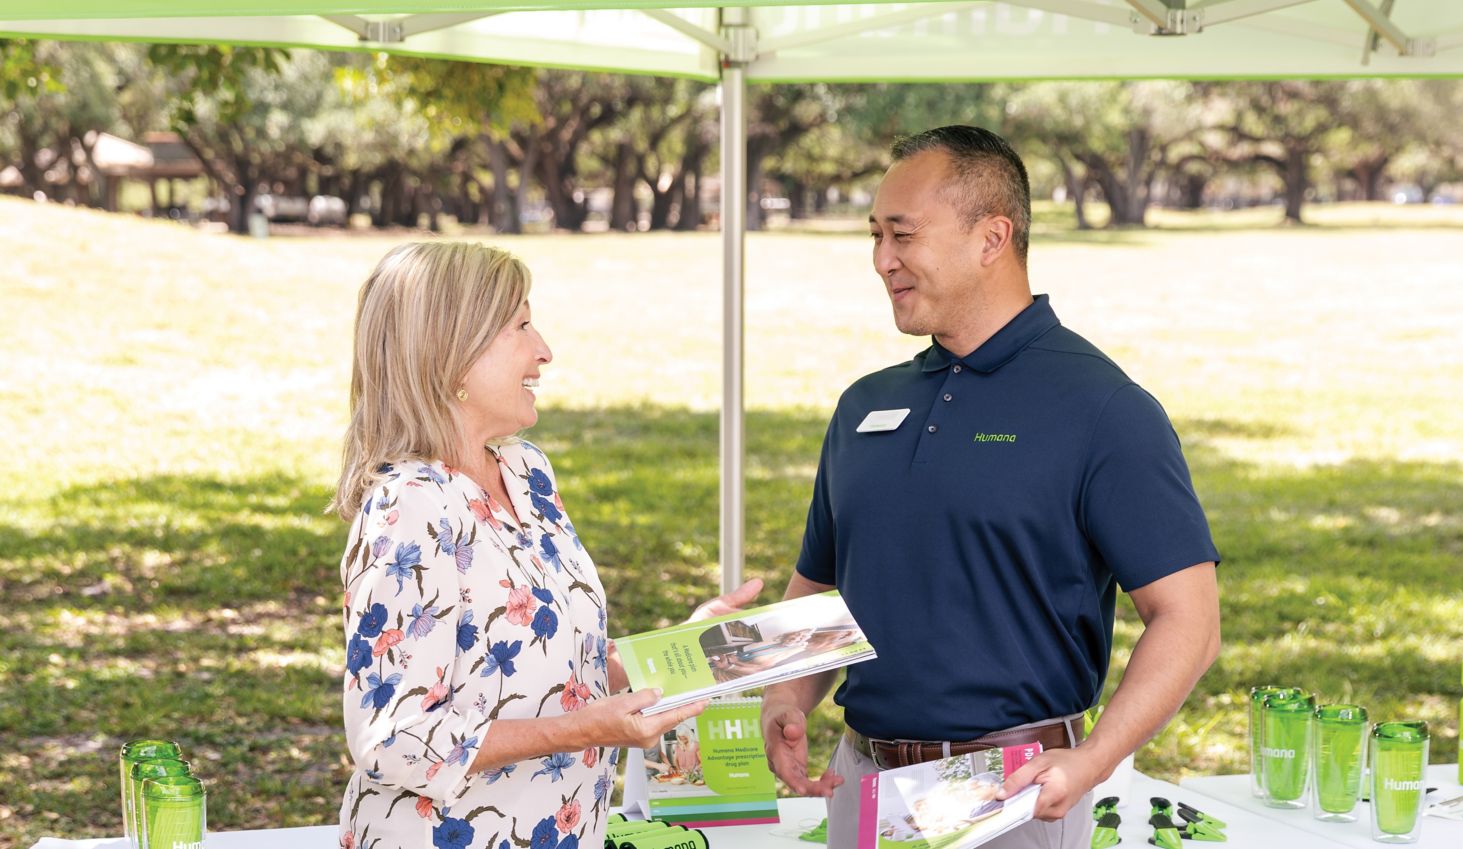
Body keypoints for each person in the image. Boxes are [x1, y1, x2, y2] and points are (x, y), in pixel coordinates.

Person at [759, 126, 1221, 849]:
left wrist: (1094, 759)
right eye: (875, 235)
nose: (882, 260)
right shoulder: (861, 405)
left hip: (1011, 797)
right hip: (860, 783)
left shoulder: (1101, 407)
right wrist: (787, 696)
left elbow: (1189, 621)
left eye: (902, 234)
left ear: (991, 237)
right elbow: (820, 587)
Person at [332, 242, 759, 849]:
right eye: (521, 326)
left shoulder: (525, 473)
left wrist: (676, 651)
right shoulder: (412, 507)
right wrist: (579, 732)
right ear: (452, 355)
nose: (544, 351)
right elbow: (392, 738)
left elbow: (553, 660)